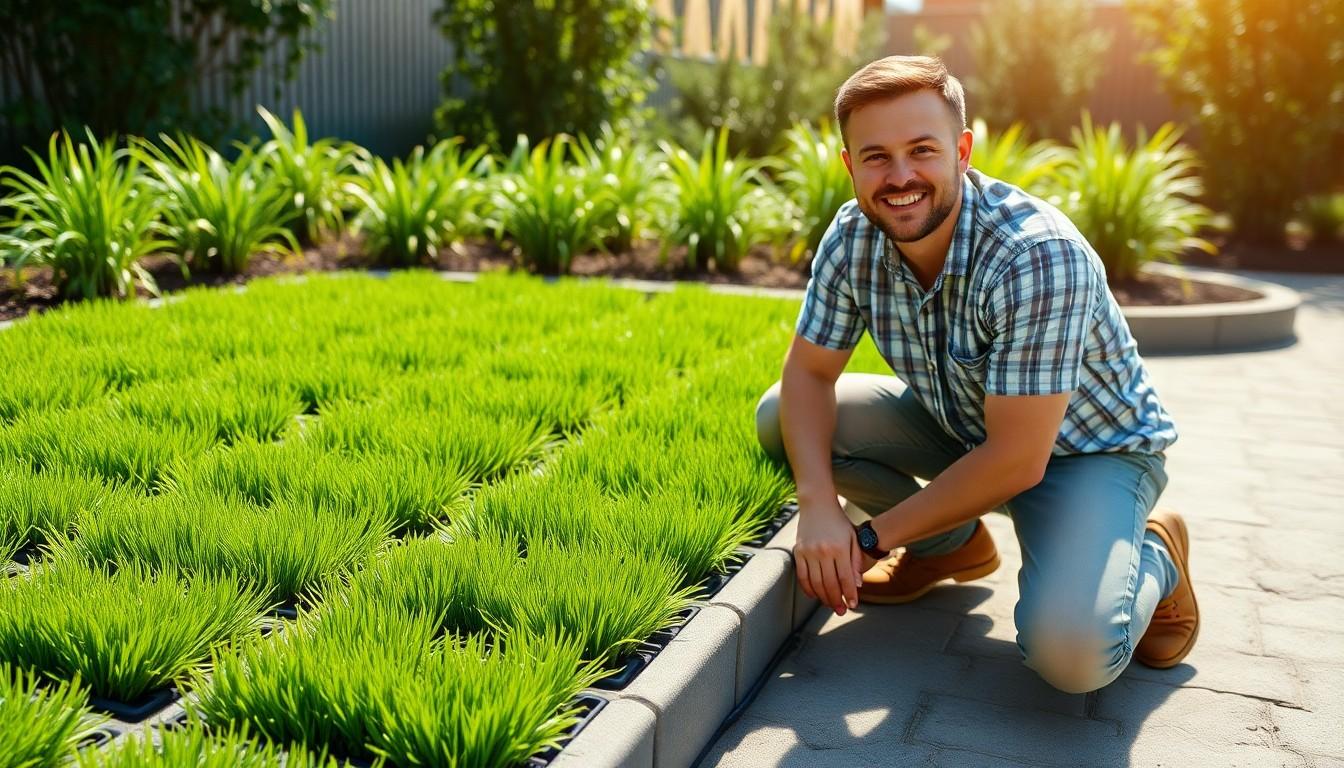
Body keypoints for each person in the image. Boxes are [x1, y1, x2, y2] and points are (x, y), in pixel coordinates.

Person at [754, 55, 1198, 693]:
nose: (900, 176)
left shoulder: (1038, 257)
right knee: (779, 417)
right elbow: (808, 376)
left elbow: (1018, 459)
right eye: (875, 156)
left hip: (1088, 454)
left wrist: (871, 538)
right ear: (850, 165)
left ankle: (1155, 553)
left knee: (1073, 659)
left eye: (922, 150)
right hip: (961, 427)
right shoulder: (853, 234)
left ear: (962, 150)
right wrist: (819, 508)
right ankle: (950, 547)